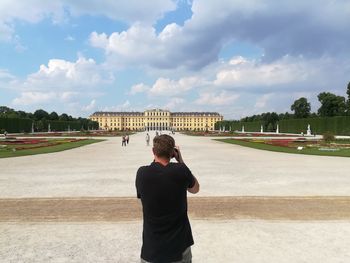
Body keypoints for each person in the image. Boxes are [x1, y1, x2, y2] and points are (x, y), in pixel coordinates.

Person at [136, 135, 200, 263]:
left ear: (153, 151)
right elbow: (195, 189)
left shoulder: (142, 173)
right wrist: (180, 160)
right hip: (179, 246)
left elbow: (141, 201)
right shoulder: (181, 170)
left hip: (152, 249)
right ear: (172, 153)